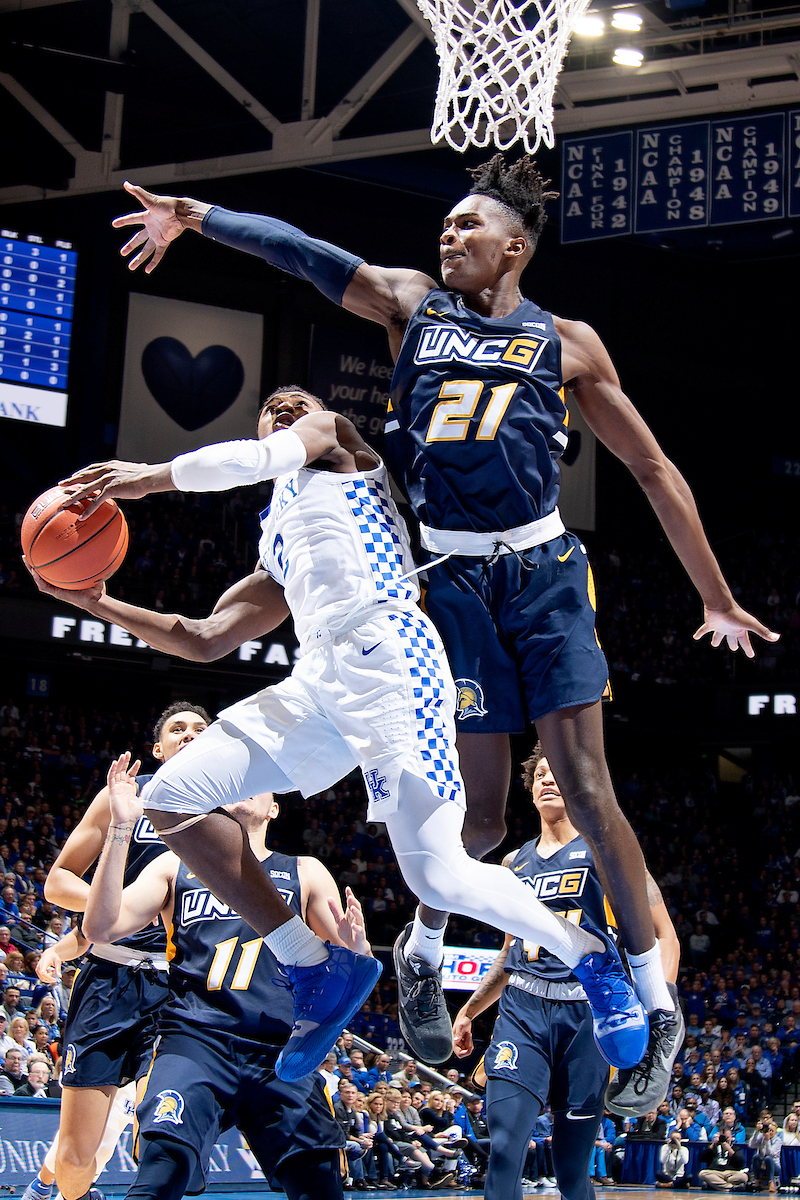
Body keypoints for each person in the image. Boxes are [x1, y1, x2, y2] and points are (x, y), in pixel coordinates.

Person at [106, 158, 777, 1101]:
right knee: (485, 818)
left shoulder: (568, 342)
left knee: (584, 789)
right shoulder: (412, 307)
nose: (447, 237)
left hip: (540, 572)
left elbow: (655, 468)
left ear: (516, 246)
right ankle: (418, 950)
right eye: (445, 225)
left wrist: (712, 593)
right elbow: (301, 254)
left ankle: (646, 993)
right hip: (450, 581)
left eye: (468, 227)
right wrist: (197, 215)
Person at [48, 387, 647, 1078]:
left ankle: (587, 955)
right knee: (174, 795)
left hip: (392, 656)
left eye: (295, 398)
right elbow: (208, 638)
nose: (285, 406)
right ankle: (314, 966)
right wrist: (99, 604)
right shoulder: (275, 529)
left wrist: (147, 478)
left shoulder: (336, 447)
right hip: (317, 679)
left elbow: (265, 455)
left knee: (441, 876)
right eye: (271, 404)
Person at [82, 754, 360, 1200]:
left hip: (279, 1048)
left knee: (317, 1182)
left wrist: (353, 948)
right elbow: (97, 929)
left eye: (258, 782)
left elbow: (347, 973)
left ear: (274, 808)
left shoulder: (304, 869)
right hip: (195, 1038)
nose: (243, 787)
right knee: (162, 1169)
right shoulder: (172, 865)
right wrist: (118, 828)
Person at [451, 744, 680, 1200]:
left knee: (572, 1168)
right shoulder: (513, 863)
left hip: (589, 1015)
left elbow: (665, 937)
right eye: (539, 776)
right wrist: (471, 1010)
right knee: (504, 1145)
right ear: (530, 790)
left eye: (557, 774)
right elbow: (509, 952)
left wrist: (661, 1008)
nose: (548, 781)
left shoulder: (607, 850)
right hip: (523, 1010)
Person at [23, 703, 210, 1200]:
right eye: (177, 729)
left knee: (156, 1130)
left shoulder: (228, 810)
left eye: (200, 729)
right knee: (81, 1152)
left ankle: (154, 1139)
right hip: (111, 980)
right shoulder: (123, 800)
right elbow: (57, 883)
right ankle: (62, 1189)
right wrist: (125, 906)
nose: (189, 735)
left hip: (180, 989)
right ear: (158, 748)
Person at [697, 1126, 748, 1192]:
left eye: (727, 1137)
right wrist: (713, 1144)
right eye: (722, 1137)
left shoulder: (735, 1148)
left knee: (744, 1177)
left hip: (731, 1174)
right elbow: (702, 1158)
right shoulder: (713, 1147)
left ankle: (716, 1185)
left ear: (732, 1138)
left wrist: (729, 1149)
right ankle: (731, 1187)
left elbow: (741, 1163)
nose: (725, 1140)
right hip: (715, 1173)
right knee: (702, 1173)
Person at [749, 1117, 782, 1193]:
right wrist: (756, 1132)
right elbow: (751, 1145)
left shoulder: (778, 1141)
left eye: (772, 1131)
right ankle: (757, 1181)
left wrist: (767, 1141)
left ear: (775, 1132)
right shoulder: (761, 1137)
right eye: (768, 1130)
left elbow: (770, 1154)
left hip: (774, 1166)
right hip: (761, 1165)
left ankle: (771, 1182)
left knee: (768, 1158)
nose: (769, 1132)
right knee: (756, 1157)